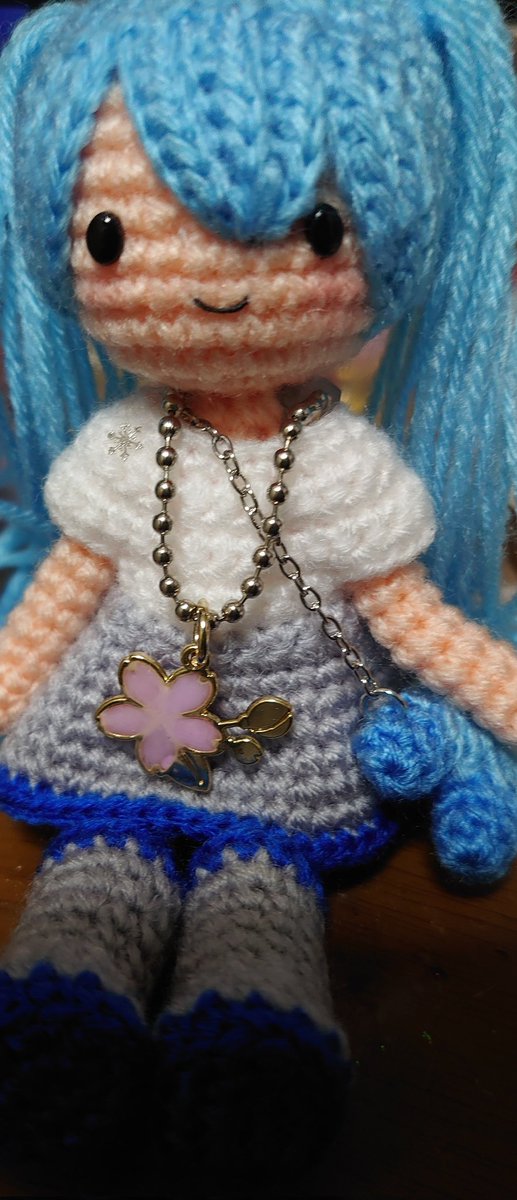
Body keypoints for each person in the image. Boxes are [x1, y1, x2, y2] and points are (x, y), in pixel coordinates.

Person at [0, 0, 516, 1184]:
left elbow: (409, 615)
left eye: (316, 229)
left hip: (286, 737)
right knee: (98, 864)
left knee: (262, 889)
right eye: (115, 237)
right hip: (119, 716)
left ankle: (256, 1038)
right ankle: (64, 1018)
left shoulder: (333, 468)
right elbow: (66, 584)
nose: (209, 287)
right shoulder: (121, 452)